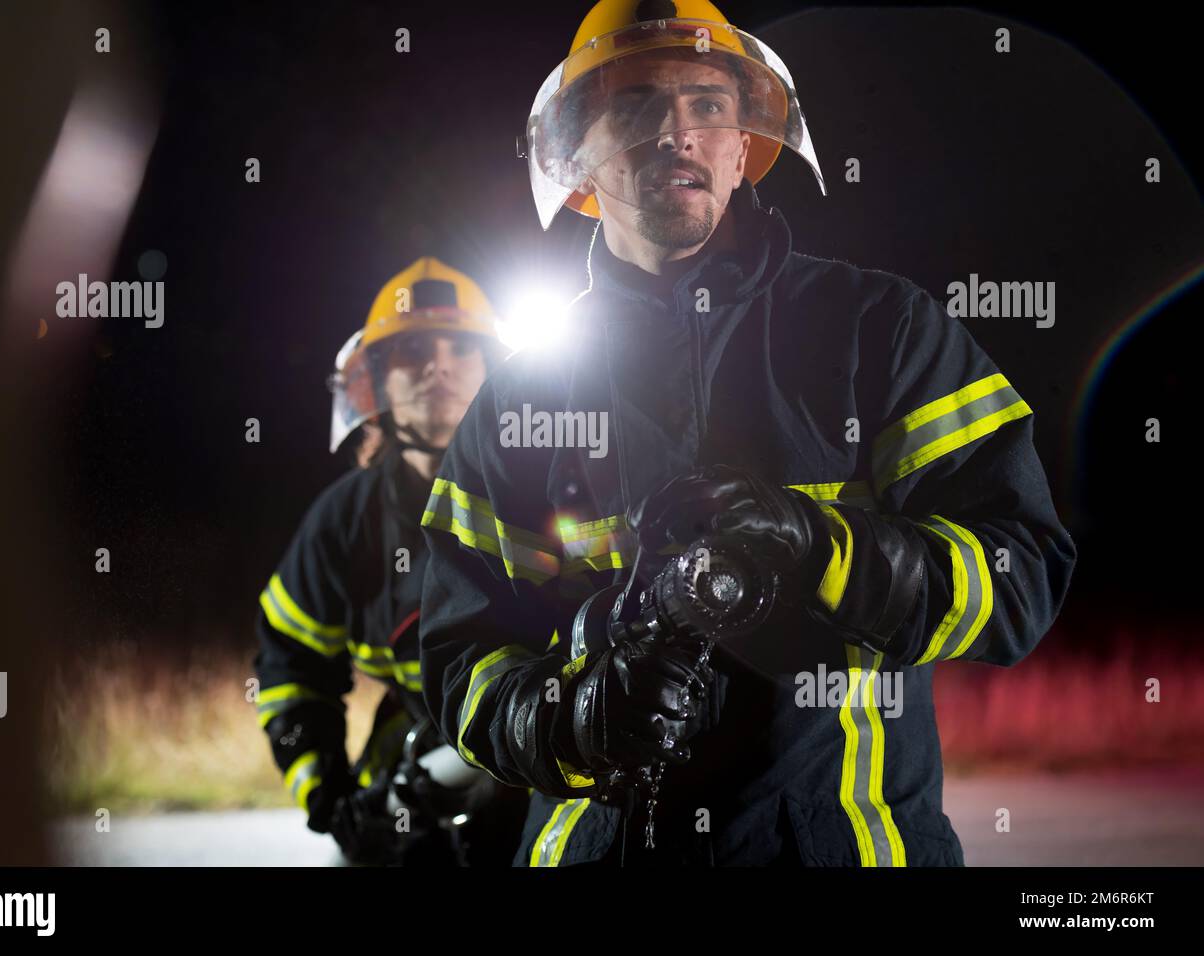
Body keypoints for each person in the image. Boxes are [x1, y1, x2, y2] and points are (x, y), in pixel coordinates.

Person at [417, 0, 1077, 866]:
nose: (676, 132)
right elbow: (464, 659)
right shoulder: (520, 398)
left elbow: (1018, 577)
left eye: (708, 104)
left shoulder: (878, 331)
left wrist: (817, 547)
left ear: (743, 146)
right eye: (637, 104)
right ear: (579, 151)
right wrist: (568, 718)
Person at [254, 256, 525, 865]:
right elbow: (290, 665)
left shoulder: (560, 492)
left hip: (540, 753)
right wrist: (330, 797)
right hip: (416, 749)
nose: (439, 365)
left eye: (461, 346)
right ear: (372, 383)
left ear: (496, 372)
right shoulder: (344, 522)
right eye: (412, 350)